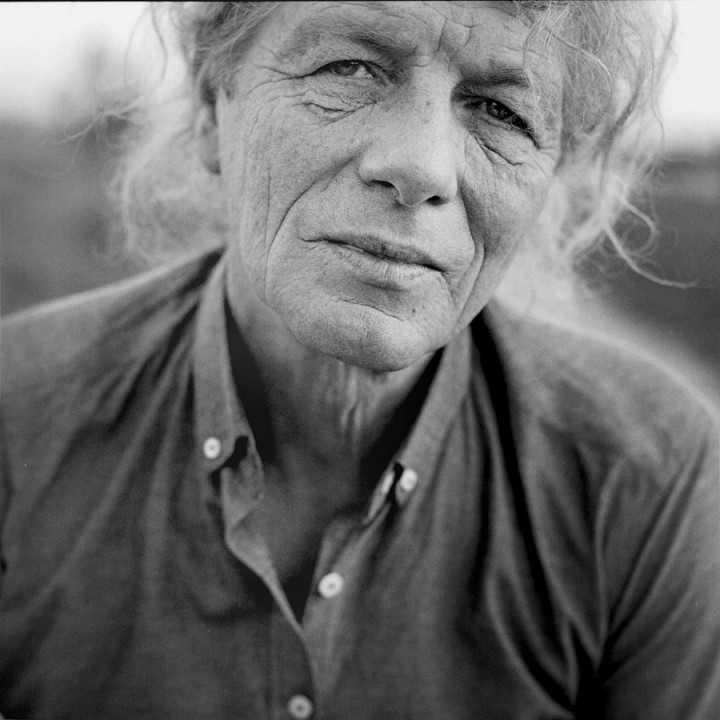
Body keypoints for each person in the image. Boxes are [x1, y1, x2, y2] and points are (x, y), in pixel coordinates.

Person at [1, 2, 718, 718]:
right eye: (349, 68)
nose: (419, 167)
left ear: (549, 182)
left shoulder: (645, 480)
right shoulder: (17, 415)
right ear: (212, 111)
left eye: (500, 112)